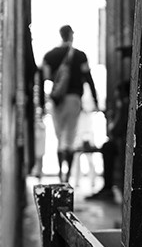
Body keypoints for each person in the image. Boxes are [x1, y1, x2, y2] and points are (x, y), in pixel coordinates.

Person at [41, 24, 99, 182]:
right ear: (71, 35)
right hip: (73, 99)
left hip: (56, 100)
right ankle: (68, 176)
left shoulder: (50, 56)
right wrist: (95, 99)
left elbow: (43, 78)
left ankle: (61, 171)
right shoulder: (80, 56)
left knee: (59, 136)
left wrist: (41, 103)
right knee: (71, 137)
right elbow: (88, 78)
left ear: (61, 35)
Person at [85, 79, 129, 202]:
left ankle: (108, 187)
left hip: (125, 145)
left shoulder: (125, 105)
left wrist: (110, 118)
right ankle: (108, 187)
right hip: (124, 144)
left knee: (108, 147)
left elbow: (115, 130)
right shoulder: (126, 105)